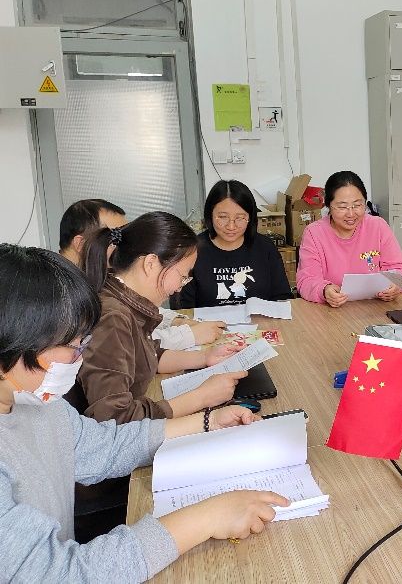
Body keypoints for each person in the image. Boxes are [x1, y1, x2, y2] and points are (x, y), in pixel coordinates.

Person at [0, 244, 289, 581]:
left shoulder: (34, 401)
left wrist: (206, 422)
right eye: (73, 346)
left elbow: (103, 446)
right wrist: (206, 518)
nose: (80, 358)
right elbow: (59, 574)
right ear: (15, 343)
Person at [75, 212, 245, 424]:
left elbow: (148, 355)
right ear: (150, 264)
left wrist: (205, 358)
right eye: (183, 276)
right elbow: (115, 418)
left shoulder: (123, 301)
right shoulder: (113, 318)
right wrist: (201, 397)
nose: (179, 288)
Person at [58, 198, 226, 350]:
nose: (125, 244)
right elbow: (133, 342)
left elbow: (141, 314)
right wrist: (189, 335)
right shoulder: (65, 295)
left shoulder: (104, 277)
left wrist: (176, 321)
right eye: (113, 237)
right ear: (80, 243)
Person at [296, 171, 402, 307]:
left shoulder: (378, 226)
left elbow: (399, 269)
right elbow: (306, 280)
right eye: (342, 207)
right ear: (328, 205)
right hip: (332, 311)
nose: (351, 214)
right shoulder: (314, 233)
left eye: (357, 205)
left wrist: (396, 285)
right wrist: (324, 291)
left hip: (376, 307)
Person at [176, 180, 292, 308]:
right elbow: (182, 307)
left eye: (240, 218)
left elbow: (282, 296)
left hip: (259, 321)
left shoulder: (265, 247)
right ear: (210, 214)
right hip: (207, 321)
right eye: (223, 217)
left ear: (250, 217)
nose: (231, 226)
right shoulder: (192, 251)